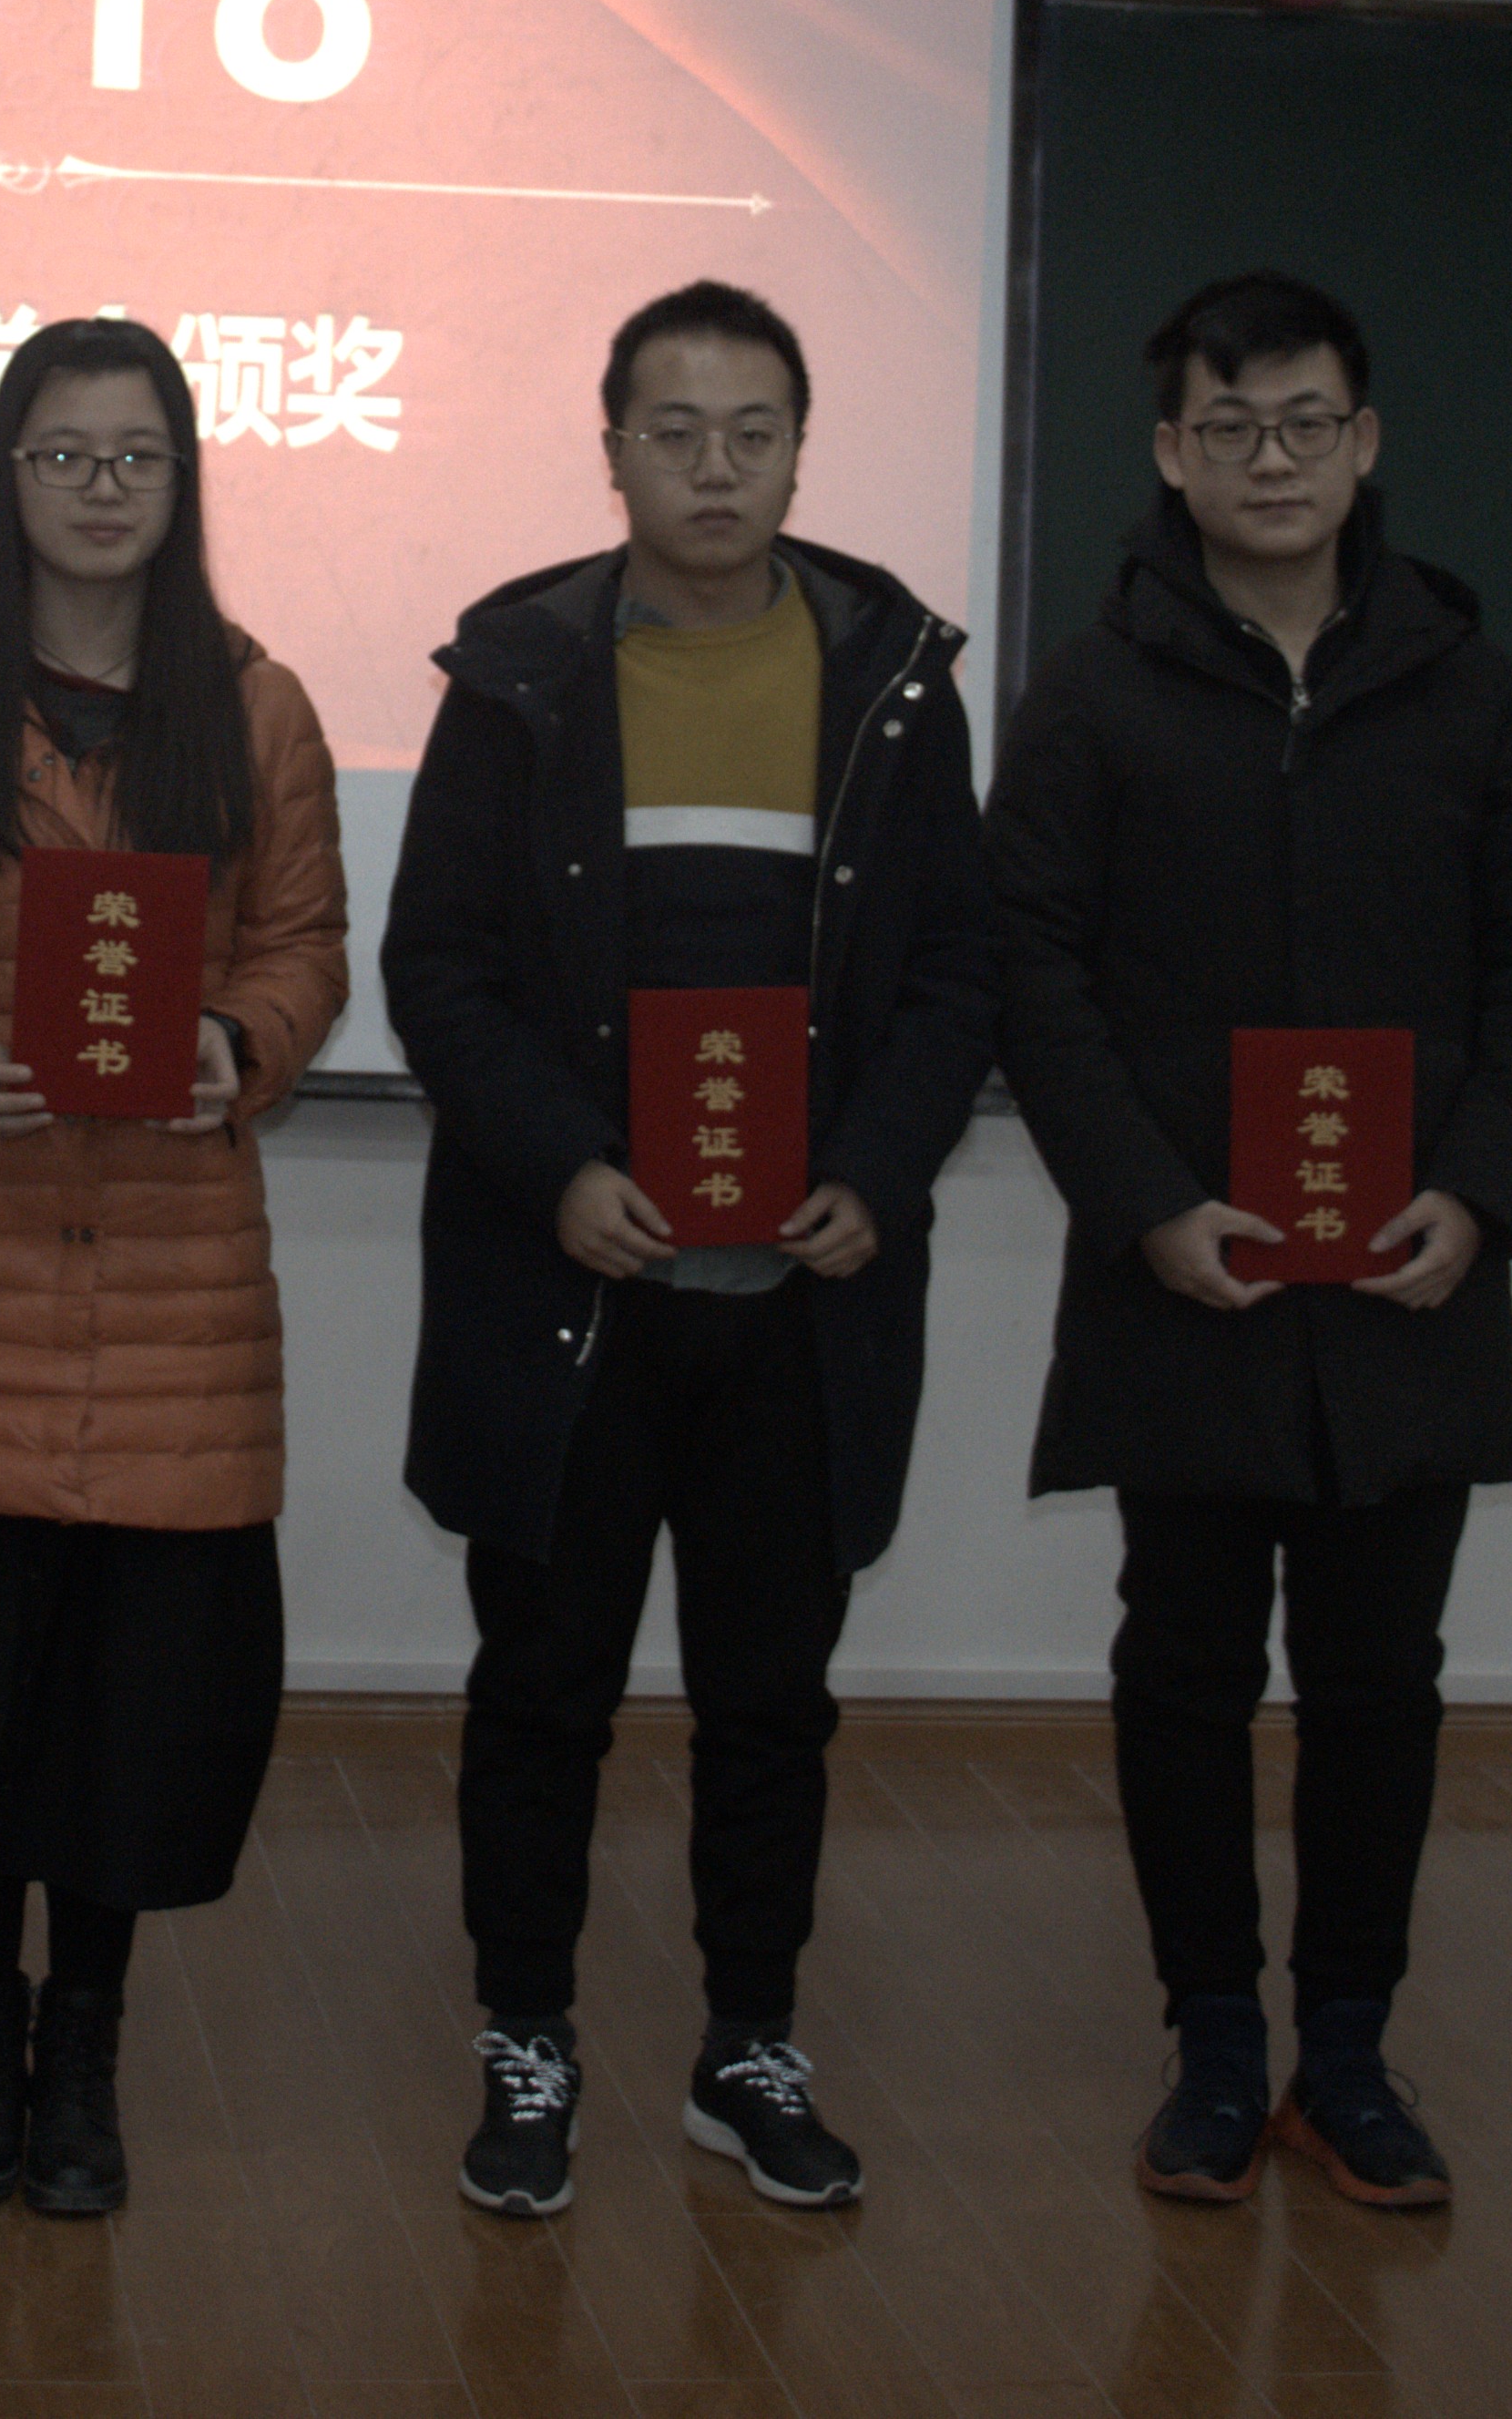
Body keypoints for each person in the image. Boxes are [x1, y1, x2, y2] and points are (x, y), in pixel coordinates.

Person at [984, 273, 1512, 2215]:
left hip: (1408, 1275)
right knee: (1181, 1667)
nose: (1273, 460)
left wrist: (1480, 1192)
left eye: (1307, 422)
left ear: (1365, 439)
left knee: (1378, 1678)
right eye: (1232, 426)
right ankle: (1213, 2042)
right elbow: (1030, 967)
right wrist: (1148, 1203)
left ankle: (1346, 2045)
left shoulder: (1464, 685)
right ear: (1173, 451)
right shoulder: (1095, 690)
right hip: (1190, 1275)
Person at [386, 279, 997, 2220]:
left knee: (771, 1701)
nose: (714, 466)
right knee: (541, 1689)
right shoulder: (518, 675)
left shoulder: (893, 677)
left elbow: (957, 971)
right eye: (676, 430)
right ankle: (528, 2034)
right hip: (570, 1287)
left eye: (753, 431)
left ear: (801, 452)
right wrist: (561, 1165)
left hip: (803, 1298)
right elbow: (438, 967)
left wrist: (879, 1171)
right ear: (613, 450)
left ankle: (751, 2041)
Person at [0, 318, 347, 2220]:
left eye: (136, 456)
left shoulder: (259, 706)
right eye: (63, 454)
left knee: (133, 1720)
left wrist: (241, 1041)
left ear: (184, 480)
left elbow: (304, 946)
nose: (101, 488)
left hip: (174, 1284)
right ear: (6, 475)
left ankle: (87, 2058)